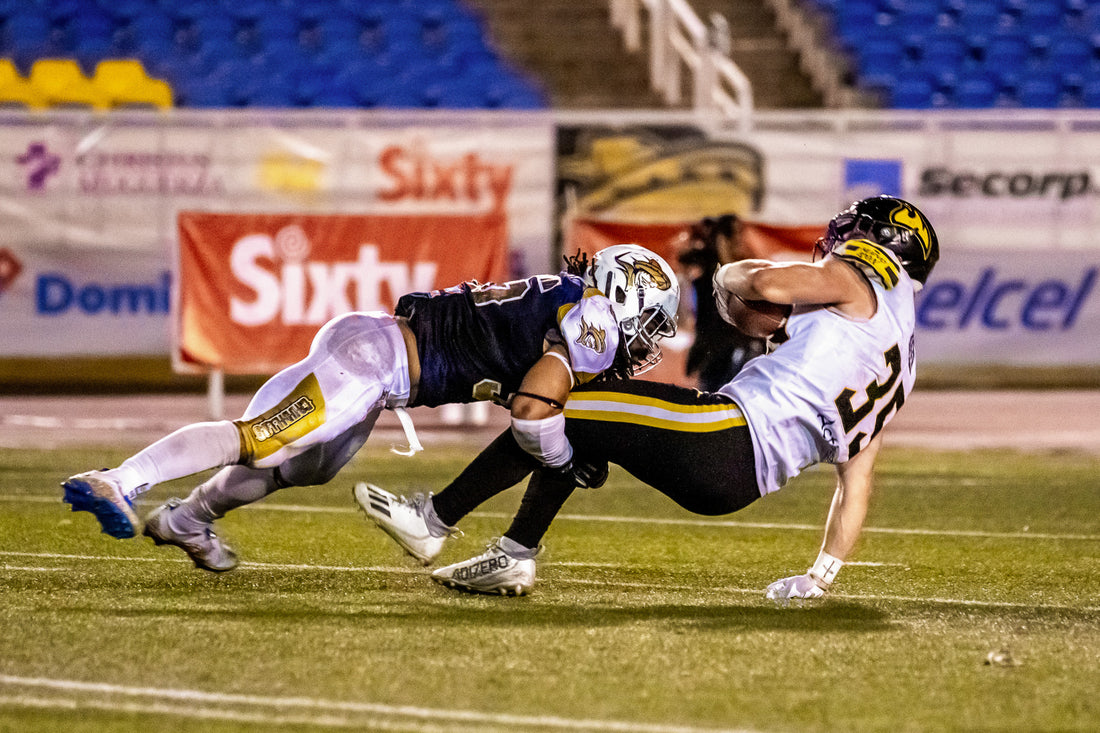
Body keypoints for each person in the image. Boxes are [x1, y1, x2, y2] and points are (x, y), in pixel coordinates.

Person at [359, 195, 939, 600]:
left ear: (882, 243)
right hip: (738, 481)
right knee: (586, 416)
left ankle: (434, 519)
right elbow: (856, 484)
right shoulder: (897, 361)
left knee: (561, 405)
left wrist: (727, 276)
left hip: (725, 434)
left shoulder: (865, 274)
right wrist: (821, 576)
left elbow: (762, 284)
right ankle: (514, 552)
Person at [62, 244, 680, 572]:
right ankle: (117, 480)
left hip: (379, 367)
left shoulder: (568, 298)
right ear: (624, 294)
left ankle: (185, 520)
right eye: (650, 321)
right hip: (375, 359)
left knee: (301, 466)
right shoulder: (592, 319)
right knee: (265, 438)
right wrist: (565, 458)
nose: (649, 340)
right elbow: (531, 415)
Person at [677, 214, 766, 390]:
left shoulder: (741, 268)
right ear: (724, 237)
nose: (740, 240)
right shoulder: (710, 268)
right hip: (717, 350)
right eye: (735, 234)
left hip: (739, 346)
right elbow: (686, 259)